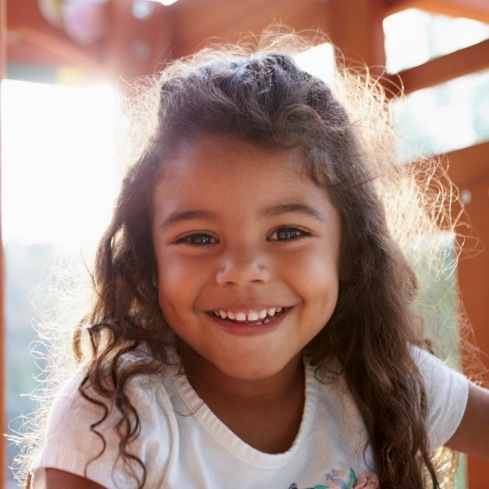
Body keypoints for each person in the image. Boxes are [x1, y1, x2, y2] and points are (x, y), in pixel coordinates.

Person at [21, 32, 489, 489]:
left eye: (287, 233)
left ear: (347, 253)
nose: (243, 269)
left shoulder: (379, 377)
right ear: (150, 260)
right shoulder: (113, 415)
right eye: (199, 237)